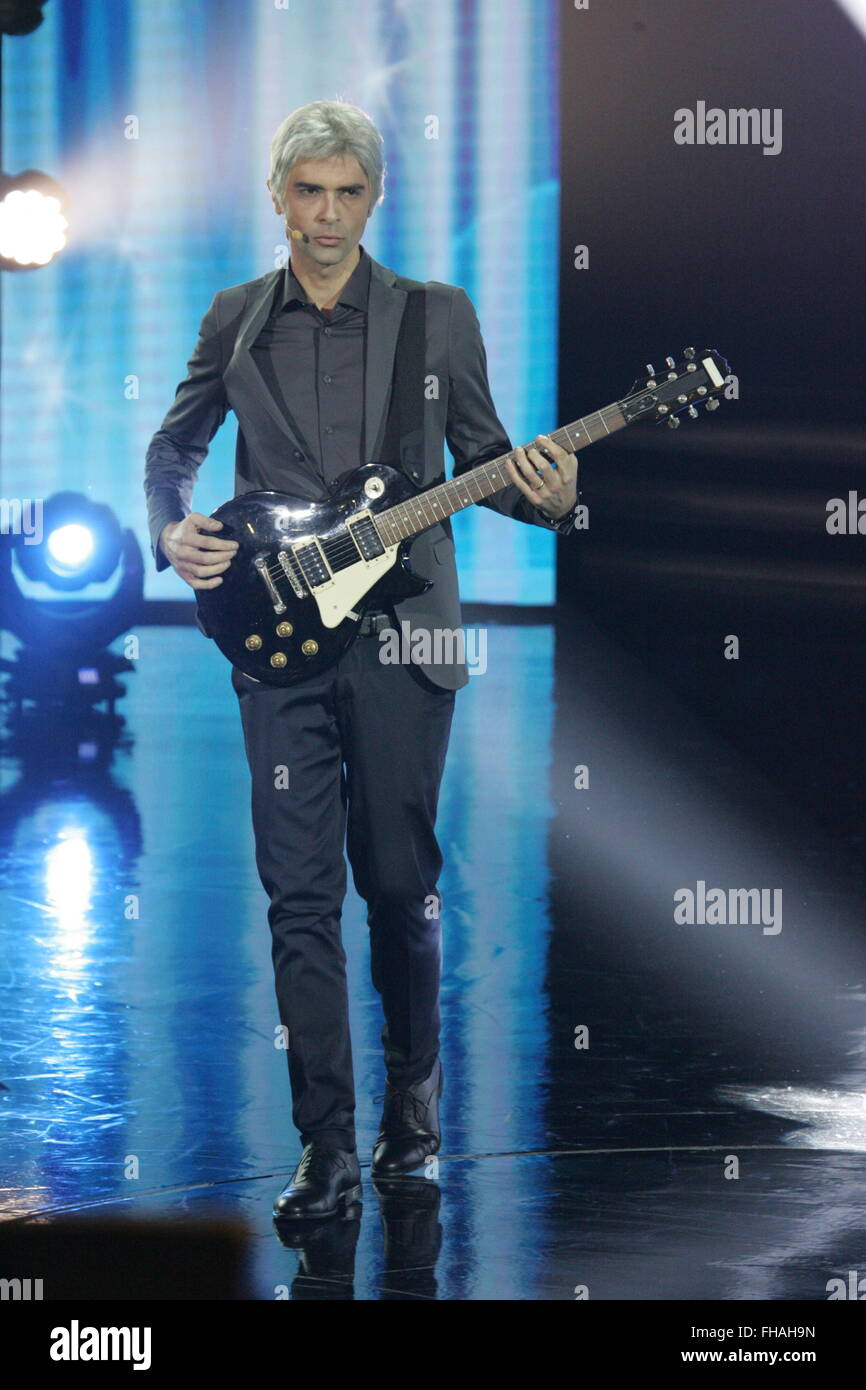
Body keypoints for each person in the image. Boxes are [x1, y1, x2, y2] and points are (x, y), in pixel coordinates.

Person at [144, 99, 579, 1220]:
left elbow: (488, 461)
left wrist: (555, 502)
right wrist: (167, 526)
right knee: (296, 895)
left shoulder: (435, 315)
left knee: (397, 886)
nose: (326, 216)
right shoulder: (237, 317)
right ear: (277, 198)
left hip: (401, 635)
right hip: (274, 636)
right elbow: (173, 445)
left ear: (373, 199)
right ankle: (325, 1146)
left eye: (347, 194)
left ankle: (412, 1117)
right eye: (308, 193)